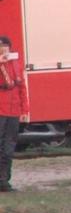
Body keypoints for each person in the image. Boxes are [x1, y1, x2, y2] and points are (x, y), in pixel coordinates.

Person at [0, 36, 29, 192]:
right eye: (1, 47)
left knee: (9, 146)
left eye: (5, 46)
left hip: (13, 110)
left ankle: (5, 180)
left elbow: (21, 87)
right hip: (1, 110)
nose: (3, 49)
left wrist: (25, 110)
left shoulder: (15, 64)